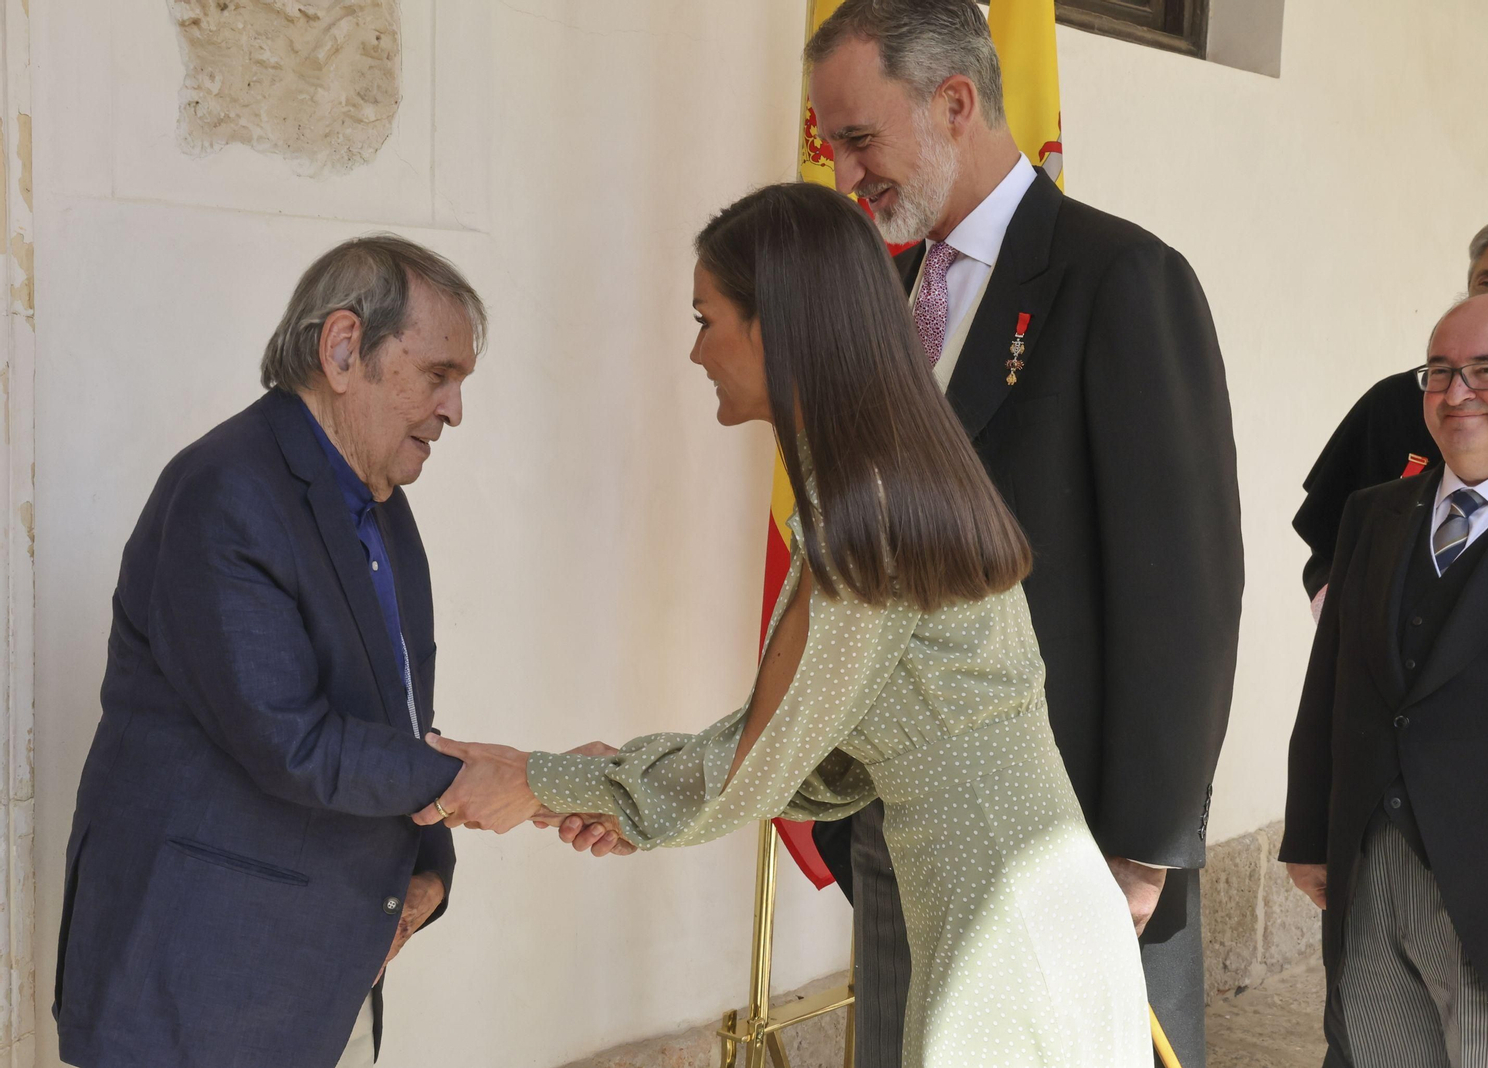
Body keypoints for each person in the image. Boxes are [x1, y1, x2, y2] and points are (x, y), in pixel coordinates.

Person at [414, 182, 1153, 1068]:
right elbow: (819, 756)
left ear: (780, 324)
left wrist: (541, 781)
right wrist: (615, 779)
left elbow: (761, 764)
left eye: (706, 317)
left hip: (1010, 934)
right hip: (1019, 918)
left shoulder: (866, 518)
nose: (696, 351)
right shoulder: (879, 488)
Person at [799, 2, 1244, 1064]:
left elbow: (1184, 590)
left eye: (858, 139)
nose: (846, 173)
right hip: (895, 823)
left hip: (1065, 840)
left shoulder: (1119, 280)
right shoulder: (887, 291)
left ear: (956, 102)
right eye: (833, 144)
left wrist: (1142, 849)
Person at [54, 235, 490, 1067]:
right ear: (342, 349)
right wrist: (486, 782)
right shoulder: (226, 491)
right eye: (439, 374)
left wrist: (430, 861)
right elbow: (292, 741)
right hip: (199, 991)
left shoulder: (383, 504)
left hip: (324, 980)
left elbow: (398, 716)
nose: (453, 410)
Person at [1281, 290, 1488, 1068]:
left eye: (1486, 370)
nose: (1456, 393)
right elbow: (1332, 680)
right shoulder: (1371, 514)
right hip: (1371, 872)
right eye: (1439, 371)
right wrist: (1309, 827)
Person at [1295, 214, 1488, 614]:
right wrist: (1346, 627)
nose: (1459, 396)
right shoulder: (1398, 399)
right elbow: (1332, 539)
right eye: (1486, 282)